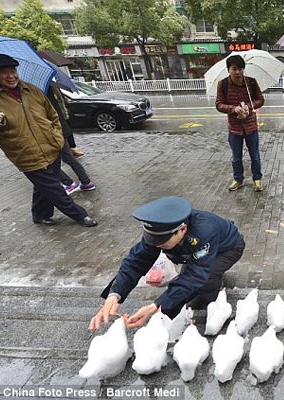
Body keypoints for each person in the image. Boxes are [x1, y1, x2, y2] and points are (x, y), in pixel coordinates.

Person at [88, 196, 245, 330]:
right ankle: (191, 299)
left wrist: (155, 306)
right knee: (186, 282)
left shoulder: (204, 232)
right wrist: (114, 295)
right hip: (194, 252)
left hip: (228, 249)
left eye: (162, 245)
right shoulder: (160, 233)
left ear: (182, 229)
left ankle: (213, 304)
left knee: (207, 276)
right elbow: (135, 262)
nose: (158, 247)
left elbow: (195, 275)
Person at [0, 53, 97, 227]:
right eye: (4, 72)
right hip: (24, 153)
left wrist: (57, 136)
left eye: (13, 70)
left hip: (51, 146)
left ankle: (39, 215)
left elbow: (52, 115)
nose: (11, 76)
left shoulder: (31, 90)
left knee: (43, 186)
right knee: (54, 188)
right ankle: (80, 215)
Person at [215, 55, 265, 192]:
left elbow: (260, 100)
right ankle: (238, 179)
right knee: (236, 158)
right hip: (234, 129)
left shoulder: (251, 83)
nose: (238, 72)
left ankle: (257, 179)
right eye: (234, 69)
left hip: (251, 127)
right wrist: (233, 108)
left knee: (255, 156)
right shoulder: (223, 84)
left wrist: (249, 105)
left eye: (241, 69)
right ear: (228, 70)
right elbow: (219, 104)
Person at [46, 83, 96, 195]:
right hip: (60, 128)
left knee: (51, 162)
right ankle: (85, 182)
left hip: (52, 131)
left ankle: (70, 183)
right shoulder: (50, 88)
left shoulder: (38, 94)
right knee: (66, 157)